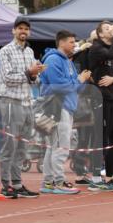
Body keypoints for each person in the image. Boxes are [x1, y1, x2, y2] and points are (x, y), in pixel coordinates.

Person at [39, 31, 91, 195]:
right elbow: (58, 86)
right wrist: (79, 81)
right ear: (61, 43)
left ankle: (49, 182)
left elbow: (75, 87)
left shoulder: (67, 61)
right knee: (61, 146)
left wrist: (79, 82)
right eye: (71, 42)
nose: (74, 45)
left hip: (65, 107)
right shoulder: (54, 60)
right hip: (57, 107)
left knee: (54, 146)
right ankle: (58, 182)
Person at [0, 17, 43, 199]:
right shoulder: (5, 51)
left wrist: (36, 73)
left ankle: (17, 183)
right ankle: (5, 184)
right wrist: (29, 73)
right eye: (20, 28)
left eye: (26, 29)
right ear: (13, 31)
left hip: (27, 101)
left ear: (29, 32)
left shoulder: (30, 51)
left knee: (22, 146)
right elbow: (7, 78)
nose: (23, 31)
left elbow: (35, 80)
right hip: (10, 101)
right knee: (10, 144)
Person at [88, 20, 113, 190]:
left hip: (112, 98)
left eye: (112, 27)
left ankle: (110, 176)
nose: (111, 30)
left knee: (112, 137)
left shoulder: (111, 53)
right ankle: (95, 178)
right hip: (99, 98)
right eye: (107, 29)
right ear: (101, 34)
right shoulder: (97, 48)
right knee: (100, 137)